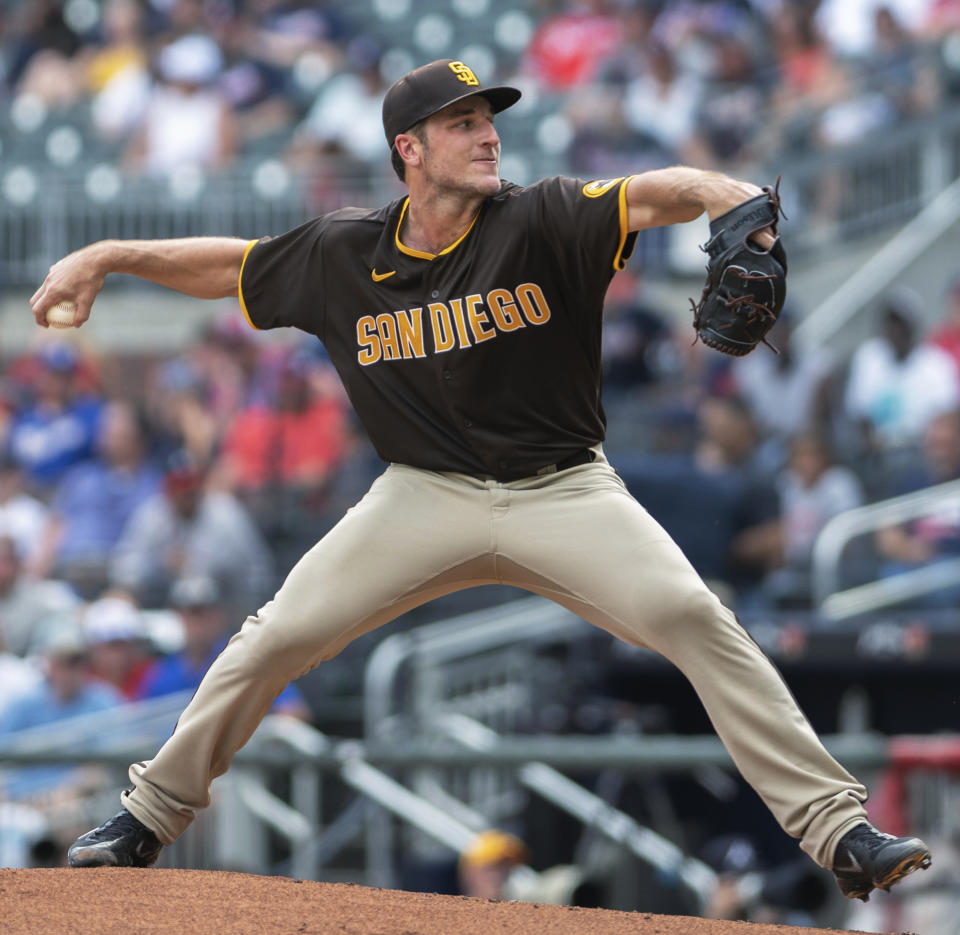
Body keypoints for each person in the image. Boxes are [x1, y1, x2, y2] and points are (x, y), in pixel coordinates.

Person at [30, 58, 930, 901]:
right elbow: (232, 265)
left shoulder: (544, 216)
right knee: (273, 638)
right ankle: (147, 819)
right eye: (460, 124)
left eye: (488, 120)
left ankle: (838, 832)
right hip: (422, 494)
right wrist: (108, 253)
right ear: (408, 152)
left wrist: (732, 199)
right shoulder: (344, 253)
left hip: (564, 490)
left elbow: (661, 193)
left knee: (696, 619)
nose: (487, 135)